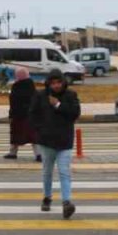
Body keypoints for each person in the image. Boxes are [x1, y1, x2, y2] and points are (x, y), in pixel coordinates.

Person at [29, 69, 81, 219]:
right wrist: (39, 130)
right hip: (46, 141)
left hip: (64, 140)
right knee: (47, 171)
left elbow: (75, 113)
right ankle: (47, 197)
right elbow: (32, 114)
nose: (56, 86)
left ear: (63, 82)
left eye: (59, 82)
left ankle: (66, 202)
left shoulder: (70, 95)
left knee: (64, 172)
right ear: (48, 83)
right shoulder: (40, 95)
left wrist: (58, 105)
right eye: (53, 83)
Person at [5, 67, 39, 161]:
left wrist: (11, 114)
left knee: (16, 135)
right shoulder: (31, 85)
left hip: (18, 115)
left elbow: (13, 102)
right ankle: (38, 154)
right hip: (30, 115)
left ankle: (13, 153)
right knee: (33, 136)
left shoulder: (16, 86)